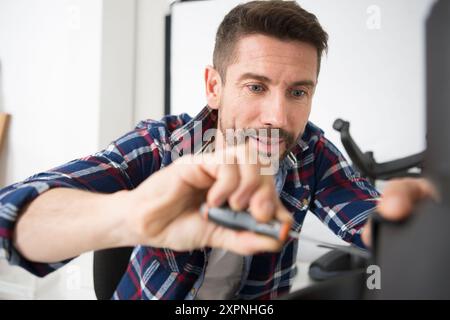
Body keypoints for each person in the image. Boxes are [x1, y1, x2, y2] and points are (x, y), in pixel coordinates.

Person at [0, 1, 436, 300]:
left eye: (298, 92)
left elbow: (365, 215)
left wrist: (405, 229)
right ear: (214, 86)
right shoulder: (160, 143)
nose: (278, 118)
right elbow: (12, 216)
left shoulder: (311, 151)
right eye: (255, 87)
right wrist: (133, 215)